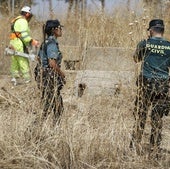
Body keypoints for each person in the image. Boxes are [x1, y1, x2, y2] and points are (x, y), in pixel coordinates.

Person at [130, 19, 170, 159]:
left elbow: (136, 59)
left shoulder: (145, 44)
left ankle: (134, 146)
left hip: (145, 84)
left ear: (151, 30)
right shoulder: (169, 46)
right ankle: (154, 150)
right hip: (163, 85)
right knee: (157, 119)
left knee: (140, 116)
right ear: (163, 30)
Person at [35, 19, 65, 125]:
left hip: (44, 76)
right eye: (59, 28)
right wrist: (61, 73)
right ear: (54, 30)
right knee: (55, 106)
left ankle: (41, 127)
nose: (61, 30)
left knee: (50, 105)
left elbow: (38, 58)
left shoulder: (46, 42)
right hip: (49, 77)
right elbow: (52, 63)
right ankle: (39, 128)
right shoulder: (52, 43)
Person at [9, 6, 39, 85]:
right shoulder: (23, 21)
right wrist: (32, 41)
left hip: (13, 43)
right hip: (19, 44)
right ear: (27, 14)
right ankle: (27, 81)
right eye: (29, 14)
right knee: (23, 61)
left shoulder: (17, 20)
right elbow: (24, 35)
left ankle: (14, 79)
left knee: (15, 62)